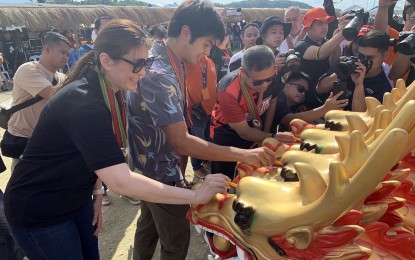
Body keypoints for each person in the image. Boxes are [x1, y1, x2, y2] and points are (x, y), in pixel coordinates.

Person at [3, 19, 230, 260]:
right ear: (106, 60)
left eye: (147, 62)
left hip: (75, 198)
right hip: (40, 209)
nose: (143, 72)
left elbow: (100, 155)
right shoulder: (84, 102)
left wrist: (97, 195)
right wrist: (195, 195)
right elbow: (122, 183)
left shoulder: (108, 89)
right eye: (138, 64)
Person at [127, 1, 275, 259]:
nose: (207, 52)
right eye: (206, 43)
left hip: (150, 164)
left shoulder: (166, 60)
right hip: (159, 171)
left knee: (147, 226)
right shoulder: (160, 74)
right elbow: (181, 141)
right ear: (186, 32)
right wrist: (242, 155)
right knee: (176, 238)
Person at [210, 45, 295, 179]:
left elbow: (272, 104)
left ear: (274, 70)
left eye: (268, 79)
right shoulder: (228, 90)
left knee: (253, 175)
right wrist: (269, 136)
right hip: (228, 135)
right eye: (257, 82)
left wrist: (264, 137)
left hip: (256, 129)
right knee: (223, 179)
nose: (264, 85)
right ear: (243, 72)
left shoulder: (274, 77)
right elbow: (243, 131)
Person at [1, 32, 69, 170]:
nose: (66, 57)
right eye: (62, 52)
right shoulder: (29, 70)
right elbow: (53, 95)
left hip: (48, 141)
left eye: (68, 54)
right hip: (25, 140)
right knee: (24, 187)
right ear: (47, 49)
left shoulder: (61, 77)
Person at [317, 30, 392, 112]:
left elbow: (361, 117)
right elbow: (319, 89)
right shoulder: (347, 63)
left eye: (370, 58)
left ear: (385, 56)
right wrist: (343, 71)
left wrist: (359, 85)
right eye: (361, 56)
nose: (364, 61)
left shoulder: (384, 87)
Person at [294, 7, 347, 109]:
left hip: (327, 98)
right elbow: (321, 53)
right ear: (308, 28)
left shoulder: (327, 42)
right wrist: (340, 35)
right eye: (319, 23)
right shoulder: (301, 45)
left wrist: (335, 40)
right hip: (307, 101)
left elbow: (333, 63)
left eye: (326, 23)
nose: (324, 27)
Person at [273, 71, 347, 132]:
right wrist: (325, 109)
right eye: (300, 88)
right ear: (287, 86)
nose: (303, 93)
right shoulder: (279, 98)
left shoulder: (292, 103)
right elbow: (289, 120)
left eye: (305, 92)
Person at [184, 55, 218, 179]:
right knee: (197, 140)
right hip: (196, 111)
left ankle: (205, 161)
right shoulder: (191, 61)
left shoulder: (210, 61)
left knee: (207, 138)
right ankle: (197, 167)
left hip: (210, 109)